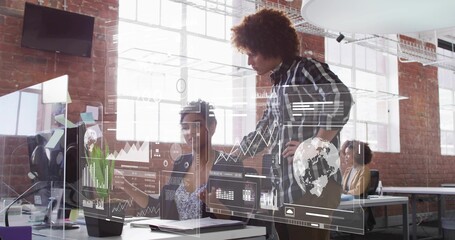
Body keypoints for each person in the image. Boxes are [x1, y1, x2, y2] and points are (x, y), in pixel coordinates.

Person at [231, 8, 353, 240]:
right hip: (286, 188)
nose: (249, 62)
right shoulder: (279, 85)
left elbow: (340, 97)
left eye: (253, 53)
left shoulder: (304, 69)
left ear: (271, 45)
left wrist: (317, 143)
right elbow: (264, 131)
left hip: (313, 185)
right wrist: (231, 157)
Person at [117, 100, 241, 220]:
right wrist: (124, 184)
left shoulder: (229, 165)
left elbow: (240, 218)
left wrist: (214, 205)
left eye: (197, 125)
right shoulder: (181, 163)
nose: (190, 132)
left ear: (212, 126)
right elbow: (160, 206)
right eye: (185, 127)